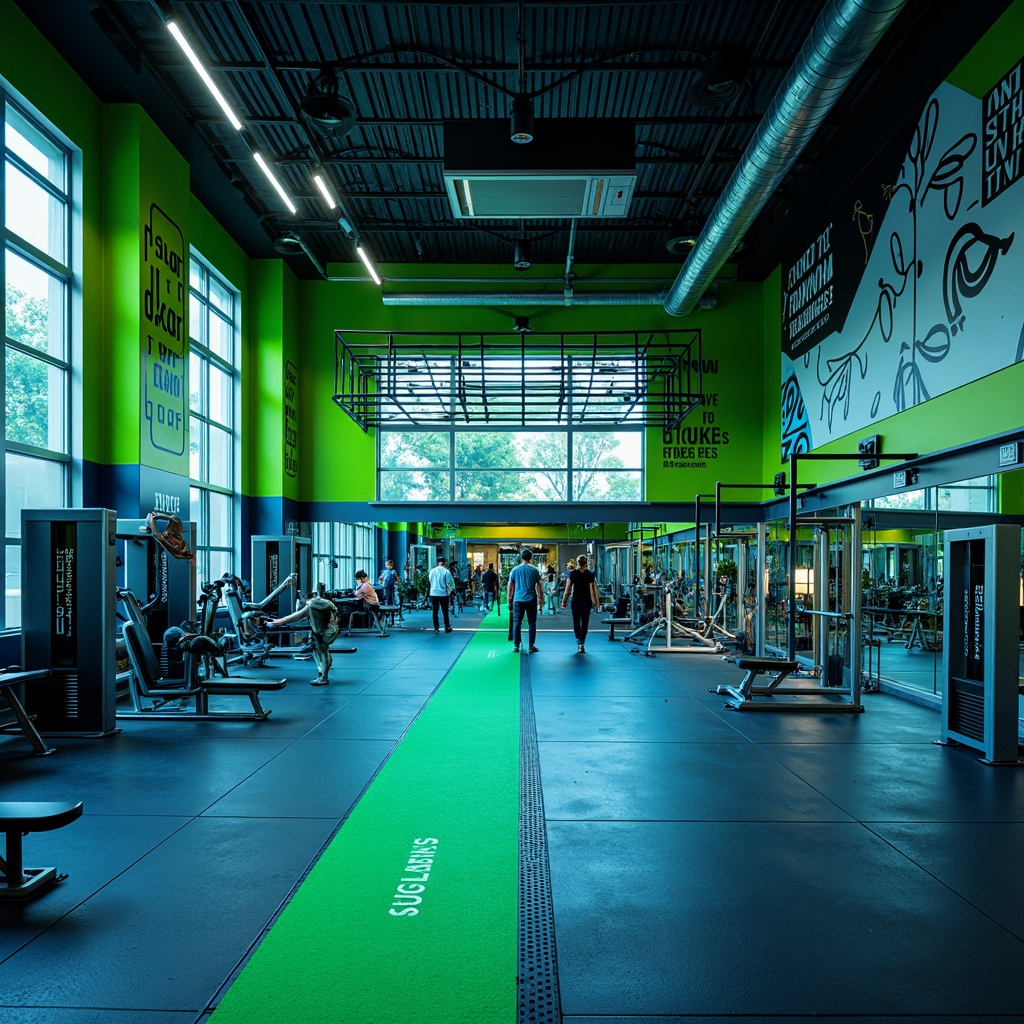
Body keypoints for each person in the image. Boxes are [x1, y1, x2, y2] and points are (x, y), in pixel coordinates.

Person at [268, 586, 339, 686]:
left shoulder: (312, 604)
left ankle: (324, 677)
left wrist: (282, 621)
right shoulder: (328, 604)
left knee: (322, 651)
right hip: (329, 630)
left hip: (324, 632)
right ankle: (323, 673)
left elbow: (298, 616)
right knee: (321, 651)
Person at [561, 554, 600, 653]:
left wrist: (564, 601)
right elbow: (593, 590)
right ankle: (582, 642)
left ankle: (579, 641)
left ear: (578, 563)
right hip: (586, 602)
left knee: (576, 622)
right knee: (585, 622)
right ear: (586, 563)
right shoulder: (590, 575)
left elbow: (568, 588)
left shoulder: (573, 574)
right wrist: (596, 602)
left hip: (576, 601)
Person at [507, 547, 543, 653]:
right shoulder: (534, 570)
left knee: (517, 622)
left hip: (518, 599)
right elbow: (539, 586)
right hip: (531, 599)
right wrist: (541, 599)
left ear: (521, 557)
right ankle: (531, 646)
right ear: (531, 558)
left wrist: (510, 600)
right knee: (532, 622)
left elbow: (511, 586)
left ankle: (516, 645)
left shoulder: (515, 570)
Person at [428, 555, 455, 633]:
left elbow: (430, 580)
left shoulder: (432, 571)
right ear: (444, 563)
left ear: (437, 562)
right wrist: (452, 590)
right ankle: (447, 627)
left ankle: (436, 628)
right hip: (443, 594)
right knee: (445, 611)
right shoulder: (446, 571)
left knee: (435, 611)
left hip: (433, 593)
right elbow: (449, 583)